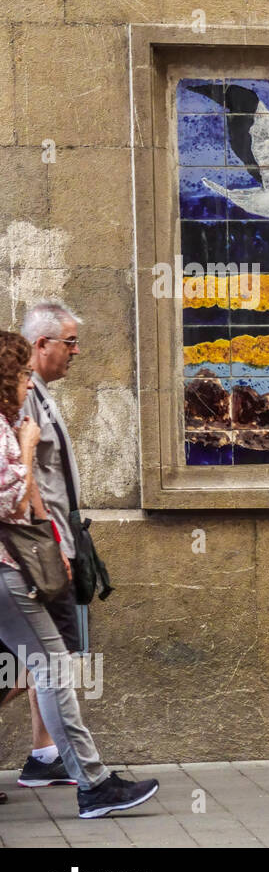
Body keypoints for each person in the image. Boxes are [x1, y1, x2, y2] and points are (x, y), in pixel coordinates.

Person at [0, 329, 160, 817]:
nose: (30, 384)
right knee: (51, 669)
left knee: (37, 671)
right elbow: (9, 500)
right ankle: (92, 785)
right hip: (7, 571)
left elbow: (27, 501)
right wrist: (28, 445)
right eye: (23, 374)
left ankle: (81, 776)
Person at [13, 302, 85, 789]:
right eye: (70, 342)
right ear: (43, 345)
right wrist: (53, 540)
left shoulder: (38, 392)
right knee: (37, 657)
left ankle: (45, 754)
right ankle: (80, 773)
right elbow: (26, 478)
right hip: (41, 548)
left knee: (40, 657)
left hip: (54, 542)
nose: (76, 352)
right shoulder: (24, 397)